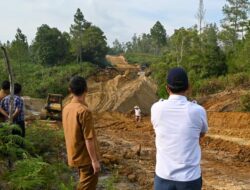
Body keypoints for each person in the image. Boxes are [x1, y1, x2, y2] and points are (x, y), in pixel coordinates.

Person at [151, 67, 208, 190]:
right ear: (188, 87)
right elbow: (201, 134)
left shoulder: (156, 108)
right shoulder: (198, 111)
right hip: (190, 179)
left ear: (167, 88)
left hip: (163, 177)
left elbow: (157, 130)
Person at [63, 76, 100, 190]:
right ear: (86, 89)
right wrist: (94, 161)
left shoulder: (66, 108)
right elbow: (88, 138)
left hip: (74, 155)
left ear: (70, 90)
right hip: (86, 158)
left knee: (83, 183)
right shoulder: (84, 111)